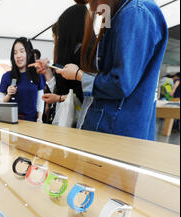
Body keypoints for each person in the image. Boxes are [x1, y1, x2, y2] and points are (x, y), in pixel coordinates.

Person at [55, 0, 168, 140]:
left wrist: (80, 76)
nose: (93, 8)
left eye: (92, 1)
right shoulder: (117, 15)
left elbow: (121, 83)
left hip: (117, 133)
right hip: (110, 128)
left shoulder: (135, 13)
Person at [34, 3, 89, 126]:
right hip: (67, 119)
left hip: (77, 123)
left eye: (57, 36)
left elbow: (84, 96)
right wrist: (47, 72)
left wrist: (58, 98)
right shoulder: (71, 55)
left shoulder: (84, 55)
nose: (56, 41)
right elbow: (61, 89)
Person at [0, 37, 46, 122]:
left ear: (29, 53)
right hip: (11, 122)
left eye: (22, 51)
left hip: (32, 123)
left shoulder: (37, 74)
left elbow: (40, 100)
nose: (18, 55)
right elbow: (0, 103)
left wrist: (40, 118)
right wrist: (8, 95)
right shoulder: (7, 76)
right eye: (15, 53)